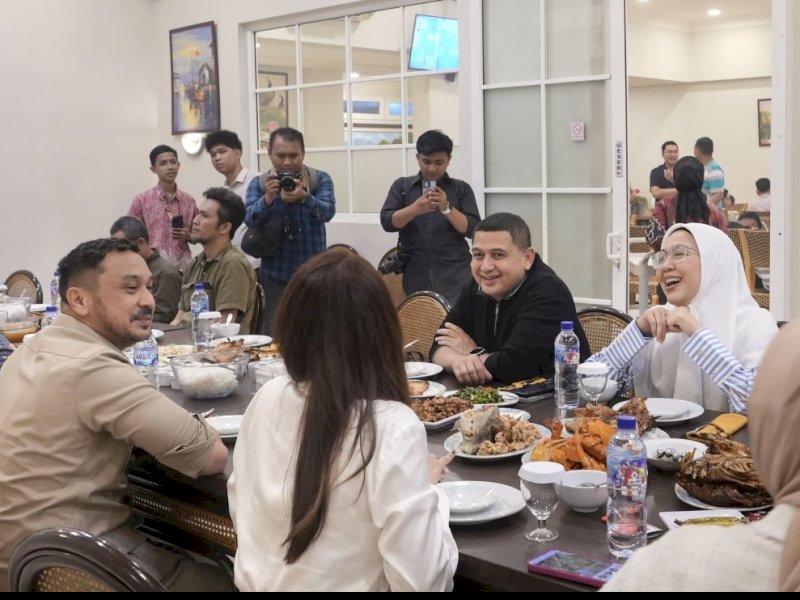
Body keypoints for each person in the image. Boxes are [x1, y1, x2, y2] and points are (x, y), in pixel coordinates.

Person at [0, 238, 230, 591]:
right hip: (81, 566)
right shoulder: (93, 365)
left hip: (25, 567)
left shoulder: (30, 349)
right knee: (230, 578)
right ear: (78, 299)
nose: (149, 301)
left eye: (149, 287)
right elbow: (211, 457)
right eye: (130, 288)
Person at [227, 251, 458, 592]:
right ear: (381, 332)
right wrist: (429, 492)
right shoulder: (392, 426)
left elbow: (241, 507)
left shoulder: (268, 396)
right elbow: (422, 583)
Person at [601, 320, 800, 592]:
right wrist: (637, 331)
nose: (662, 274)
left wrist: (700, 336)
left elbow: (751, 401)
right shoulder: (660, 329)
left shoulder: (681, 562)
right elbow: (589, 382)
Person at [589, 223, 777, 413]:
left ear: (714, 262)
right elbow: (590, 387)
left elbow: (760, 408)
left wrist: (698, 336)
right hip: (658, 441)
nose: (666, 266)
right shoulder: (660, 322)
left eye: (679, 254)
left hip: (728, 442)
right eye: (661, 257)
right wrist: (638, 331)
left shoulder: (756, 324)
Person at [430, 212, 589, 385]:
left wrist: (472, 353)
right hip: (494, 397)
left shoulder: (548, 291)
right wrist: (458, 361)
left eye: (498, 255)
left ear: (527, 258)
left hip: (553, 402)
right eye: (478, 255)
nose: (486, 266)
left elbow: (513, 365)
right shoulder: (477, 286)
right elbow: (438, 346)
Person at [244, 127, 336, 334]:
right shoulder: (260, 183)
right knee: (276, 333)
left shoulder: (318, 179)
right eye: (281, 155)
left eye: (294, 156)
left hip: (314, 273)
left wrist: (305, 198)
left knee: (315, 332)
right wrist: (267, 199)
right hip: (275, 273)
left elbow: (328, 212)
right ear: (269, 153)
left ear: (303, 153)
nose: (287, 162)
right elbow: (249, 218)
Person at [379, 129, 481, 305]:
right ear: (417, 157)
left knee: (455, 324)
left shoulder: (460, 189)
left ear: (449, 160)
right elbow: (387, 222)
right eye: (426, 162)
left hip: (455, 273)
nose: (432, 168)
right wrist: (415, 209)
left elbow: (473, 230)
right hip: (415, 273)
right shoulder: (402, 186)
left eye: (439, 162)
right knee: (421, 325)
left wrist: (446, 208)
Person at [171, 187, 256, 333]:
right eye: (198, 214)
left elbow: (224, 325)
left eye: (204, 216)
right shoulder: (194, 264)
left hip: (219, 350)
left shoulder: (233, 264)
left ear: (224, 227)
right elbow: (179, 318)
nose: (195, 221)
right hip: (186, 345)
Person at [128, 144, 198, 270]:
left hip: (183, 267)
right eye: (163, 163)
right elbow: (129, 235)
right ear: (153, 169)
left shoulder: (189, 201)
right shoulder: (142, 200)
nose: (170, 167)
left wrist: (189, 236)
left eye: (173, 162)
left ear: (179, 165)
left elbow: (199, 235)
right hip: (153, 267)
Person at [204, 129, 261, 270]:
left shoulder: (257, 181)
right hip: (231, 263)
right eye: (213, 155)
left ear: (237, 153)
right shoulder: (222, 191)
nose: (217, 158)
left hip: (256, 262)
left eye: (222, 152)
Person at [645, 155, 728, 252]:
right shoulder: (713, 210)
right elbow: (724, 242)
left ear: (675, 180)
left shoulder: (664, 206)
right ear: (701, 180)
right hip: (706, 264)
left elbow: (653, 240)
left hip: (671, 264)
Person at [110, 215, 181, 323]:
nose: (119, 250)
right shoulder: (129, 268)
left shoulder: (164, 273)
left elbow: (164, 316)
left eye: (122, 245)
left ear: (140, 242)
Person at [693, 136, 725, 207]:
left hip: (709, 214)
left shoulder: (713, 169)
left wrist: (702, 209)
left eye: (694, 149)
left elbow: (718, 194)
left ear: (698, 151)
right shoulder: (703, 168)